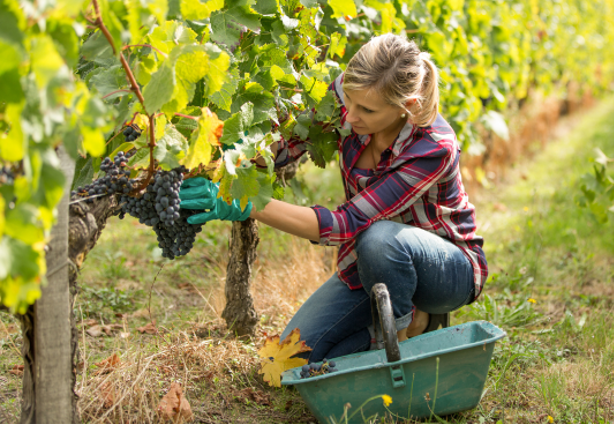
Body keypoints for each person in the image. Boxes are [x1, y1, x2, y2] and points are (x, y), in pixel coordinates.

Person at [180, 34, 487, 362]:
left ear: (406, 107)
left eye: (366, 110)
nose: (350, 116)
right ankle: (397, 322)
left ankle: (402, 341)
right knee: (289, 360)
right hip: (369, 265)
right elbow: (287, 144)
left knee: (380, 239)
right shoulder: (349, 94)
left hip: (445, 269)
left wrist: (248, 203)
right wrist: (235, 152)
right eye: (349, 101)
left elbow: (346, 225)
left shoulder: (432, 148)